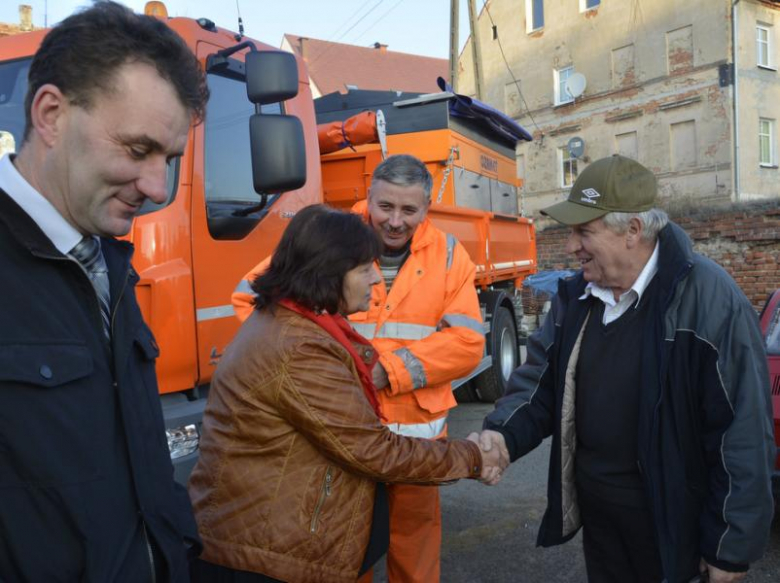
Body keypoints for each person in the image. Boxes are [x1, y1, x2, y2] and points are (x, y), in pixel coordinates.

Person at [476, 154, 775, 583]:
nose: (571, 245)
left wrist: (730, 544)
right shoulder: (575, 298)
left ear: (633, 230)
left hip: (674, 528)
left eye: (584, 231)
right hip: (601, 524)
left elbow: (742, 430)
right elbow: (538, 384)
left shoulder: (709, 299)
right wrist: (501, 435)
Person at [0, 3, 209, 581]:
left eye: (169, 159)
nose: (156, 187)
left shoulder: (110, 261)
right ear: (51, 115)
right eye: (138, 150)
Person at [188, 204, 496, 583]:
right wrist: (473, 457)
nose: (375, 281)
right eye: (364, 269)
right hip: (265, 557)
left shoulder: (295, 325)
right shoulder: (302, 348)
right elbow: (371, 451)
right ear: (329, 270)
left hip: (264, 544)